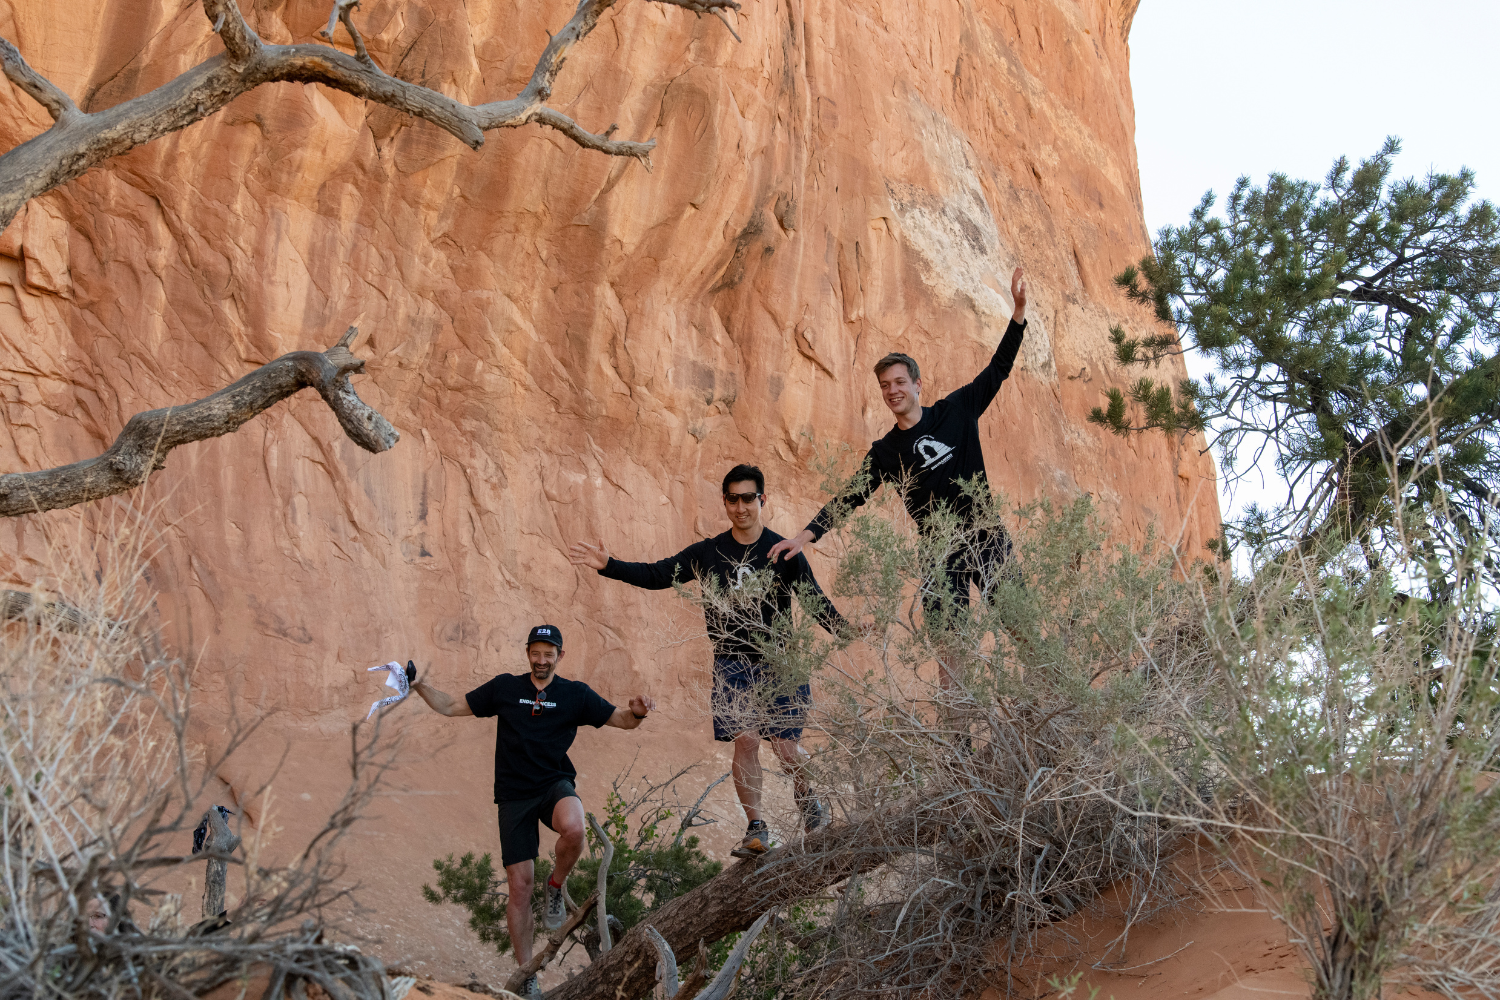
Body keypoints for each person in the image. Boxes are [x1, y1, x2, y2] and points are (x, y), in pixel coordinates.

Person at [568, 464, 848, 860]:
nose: (740, 506)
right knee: (746, 740)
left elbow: (816, 601)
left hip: (781, 661)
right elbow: (658, 574)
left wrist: (847, 630)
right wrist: (609, 565)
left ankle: (809, 801)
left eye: (748, 498)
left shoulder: (783, 550)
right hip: (732, 663)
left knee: (787, 750)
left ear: (762, 500)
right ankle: (756, 828)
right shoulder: (708, 553)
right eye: (732, 499)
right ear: (725, 502)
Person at [768, 267, 1030, 683]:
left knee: (1022, 624)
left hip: (985, 534)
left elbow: (998, 367)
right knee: (950, 648)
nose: (892, 391)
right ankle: (957, 724)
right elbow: (849, 498)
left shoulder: (957, 410)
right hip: (939, 551)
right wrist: (804, 537)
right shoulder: (885, 452)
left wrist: (1017, 312)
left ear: (917, 384)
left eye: (899, 382)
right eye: (885, 385)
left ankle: (1050, 701)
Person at [412, 626, 654, 1000]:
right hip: (513, 795)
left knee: (574, 828)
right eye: (536, 653)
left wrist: (637, 713)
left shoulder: (575, 694)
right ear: (528, 653)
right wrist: (417, 685)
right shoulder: (505, 688)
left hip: (553, 784)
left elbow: (621, 720)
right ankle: (527, 976)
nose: (542, 661)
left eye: (548, 654)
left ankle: (555, 886)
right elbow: (450, 706)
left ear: (560, 655)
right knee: (520, 887)